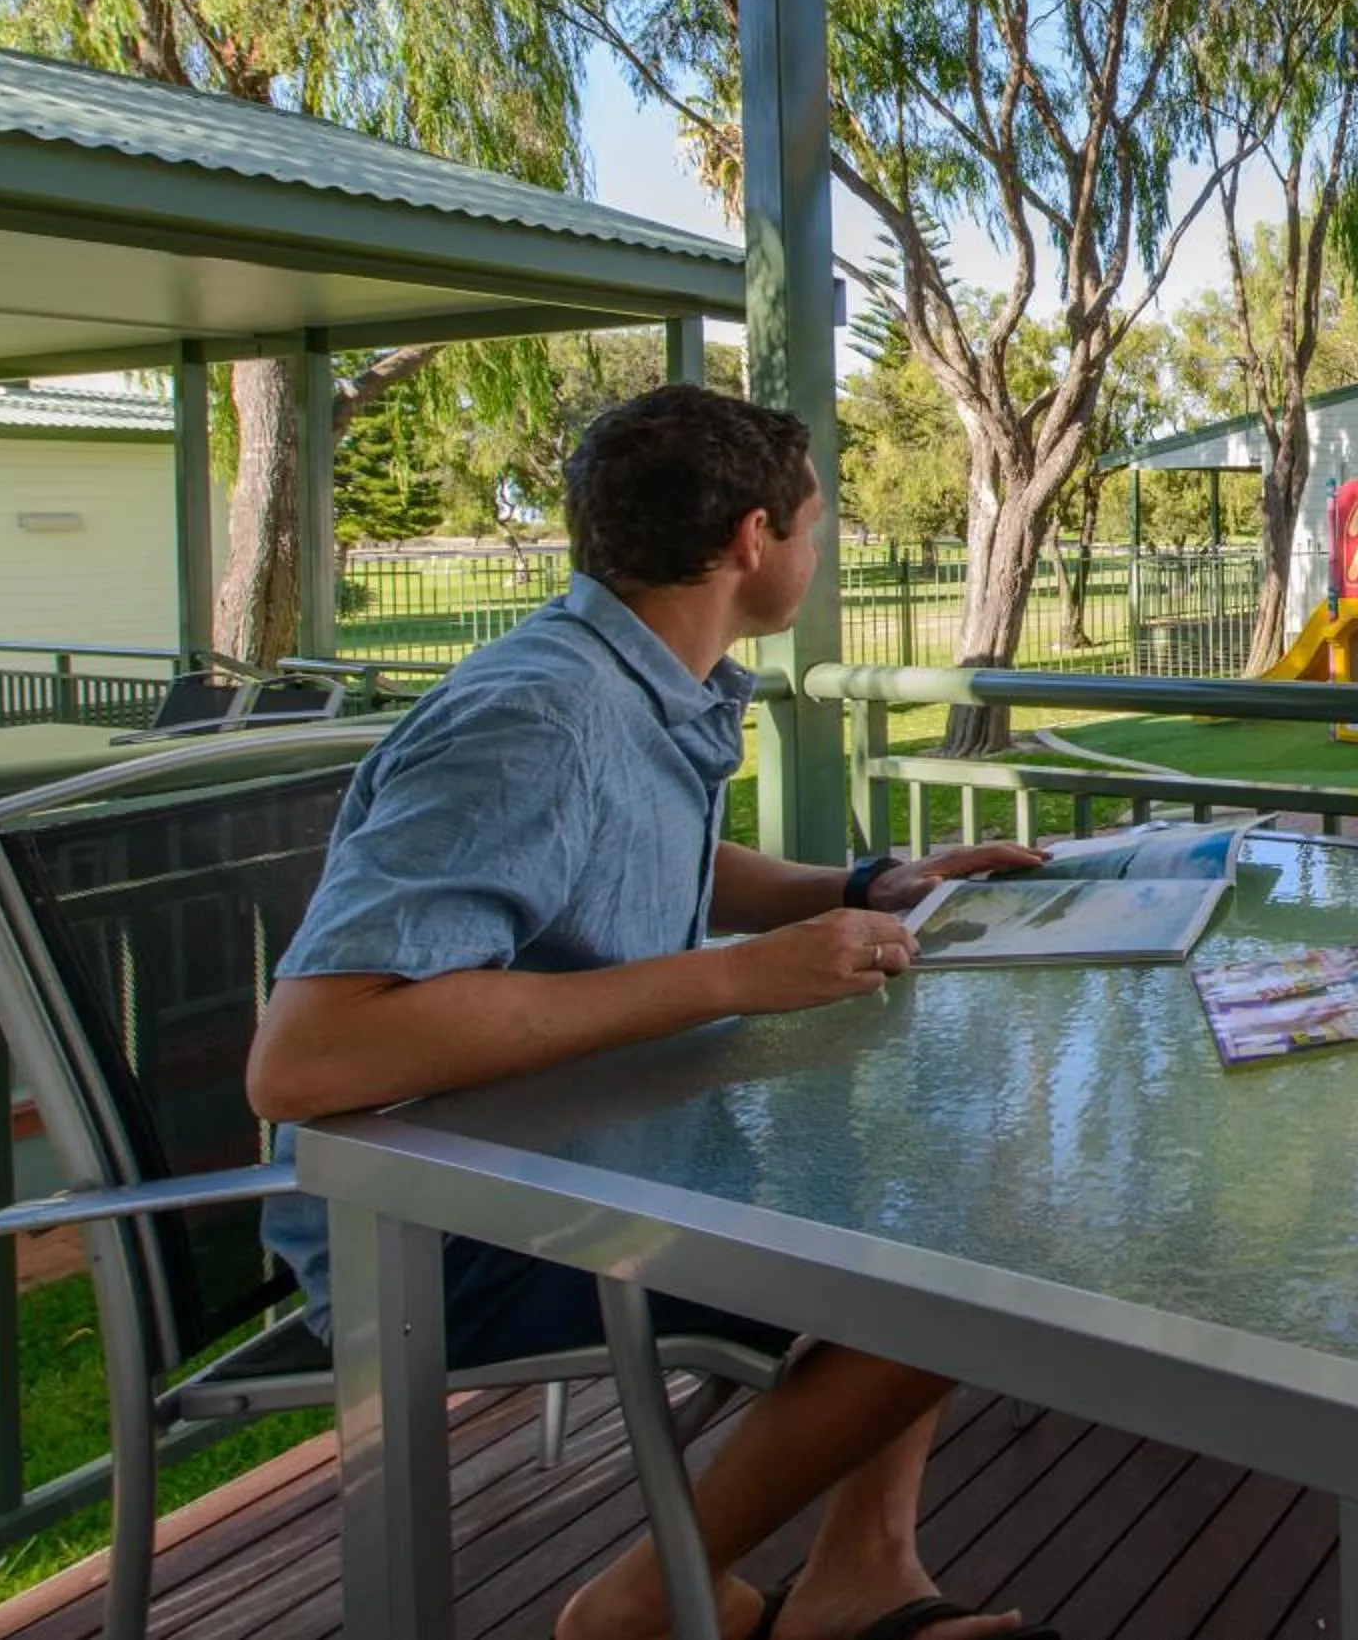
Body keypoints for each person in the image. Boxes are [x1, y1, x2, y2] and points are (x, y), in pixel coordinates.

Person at [249, 387, 1050, 1640]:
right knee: (975, 1246)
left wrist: (864, 887)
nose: (818, 547)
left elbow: (642, 854)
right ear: (752, 538)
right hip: (439, 1235)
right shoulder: (538, 714)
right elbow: (308, 1055)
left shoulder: (629, 680)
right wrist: (733, 978)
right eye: (816, 525)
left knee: (948, 1174)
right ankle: (645, 1599)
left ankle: (860, 1575)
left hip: (588, 1156)